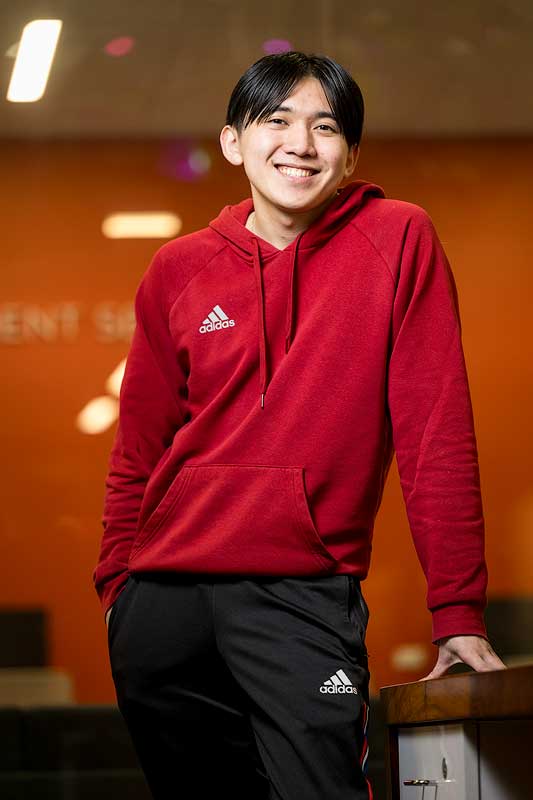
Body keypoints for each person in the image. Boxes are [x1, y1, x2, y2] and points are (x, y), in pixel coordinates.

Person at [93, 51, 505, 800]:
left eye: (325, 127)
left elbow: (434, 432)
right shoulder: (177, 269)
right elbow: (139, 449)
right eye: (276, 121)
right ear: (232, 142)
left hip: (301, 593)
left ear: (348, 154)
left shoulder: (397, 239)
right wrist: (117, 589)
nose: (301, 143)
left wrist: (456, 612)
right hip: (162, 602)